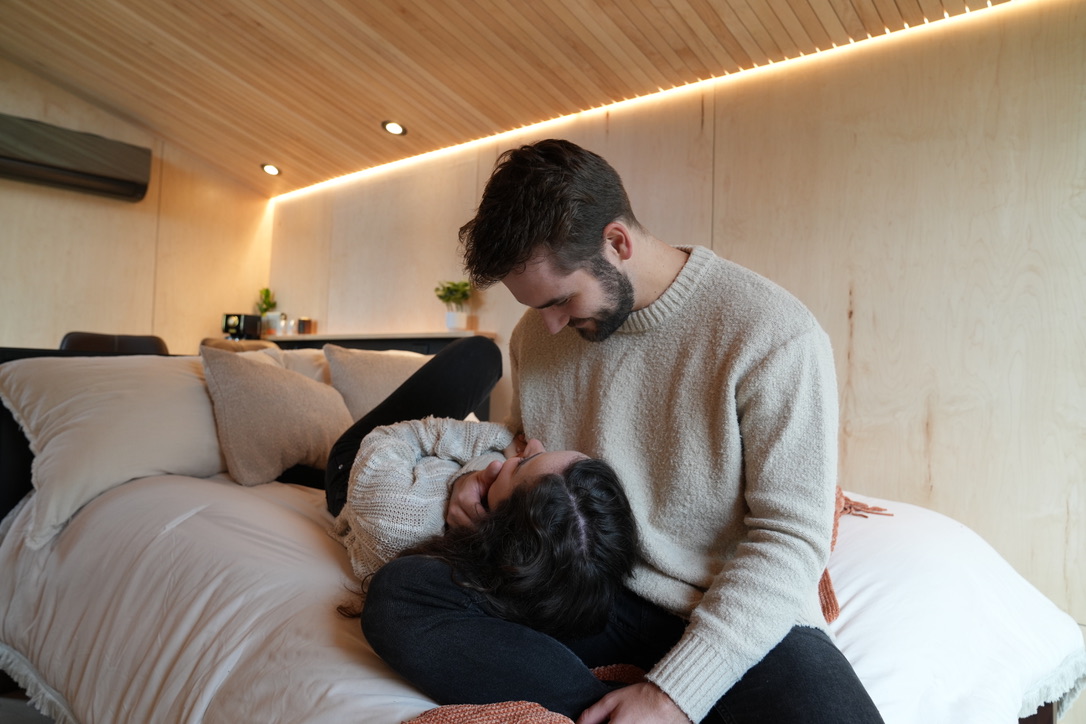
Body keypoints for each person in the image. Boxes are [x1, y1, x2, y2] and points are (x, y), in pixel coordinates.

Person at [363, 139, 885, 724]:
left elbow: (791, 540)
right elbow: (525, 445)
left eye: (561, 301)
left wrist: (674, 695)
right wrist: (474, 479)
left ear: (617, 242)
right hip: (581, 593)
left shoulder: (773, 334)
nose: (551, 326)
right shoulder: (537, 336)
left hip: (722, 607)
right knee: (402, 597)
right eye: (537, 308)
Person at [334, 416, 639, 640]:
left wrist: (461, 478)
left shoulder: (396, 515)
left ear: (491, 526)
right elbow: (506, 438)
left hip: (351, 470)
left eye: (521, 463)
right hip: (427, 457)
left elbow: (389, 436)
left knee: (477, 354)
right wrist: (485, 465)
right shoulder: (540, 536)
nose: (532, 442)